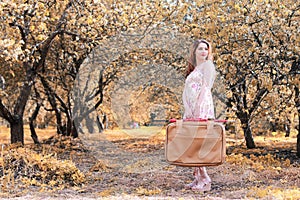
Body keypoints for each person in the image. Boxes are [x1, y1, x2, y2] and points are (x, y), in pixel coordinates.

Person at [182, 39, 216, 191]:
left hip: (201, 107)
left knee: (198, 143)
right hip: (190, 108)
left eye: (206, 49)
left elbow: (206, 88)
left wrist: (198, 107)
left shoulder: (207, 65)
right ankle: (197, 177)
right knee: (192, 143)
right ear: (194, 51)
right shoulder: (194, 68)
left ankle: (205, 179)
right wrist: (187, 108)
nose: (204, 51)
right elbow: (186, 90)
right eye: (201, 49)